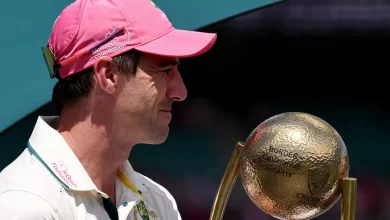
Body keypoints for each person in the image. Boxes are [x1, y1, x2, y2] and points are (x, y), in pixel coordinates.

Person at [0, 0, 217, 219]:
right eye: (165, 70)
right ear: (108, 75)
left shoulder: (158, 201)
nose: (180, 91)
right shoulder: (24, 204)